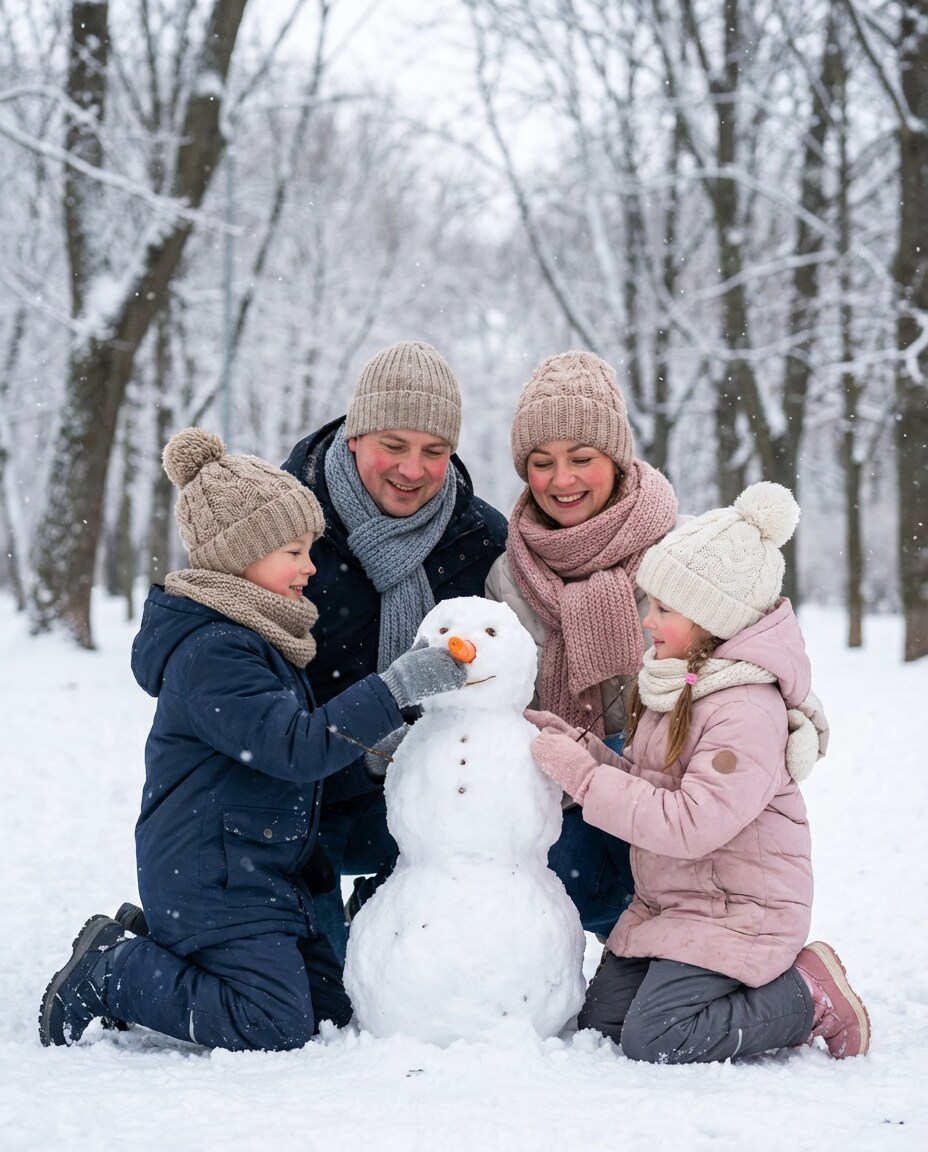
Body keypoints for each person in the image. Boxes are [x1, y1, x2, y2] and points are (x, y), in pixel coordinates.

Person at [39, 427, 469, 1051]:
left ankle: (157, 944)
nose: (310, 567)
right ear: (240, 556)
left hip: (260, 872)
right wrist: (394, 687)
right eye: (292, 552)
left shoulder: (257, 638)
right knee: (272, 1023)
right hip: (215, 878)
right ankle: (114, 974)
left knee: (331, 1008)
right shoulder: (215, 650)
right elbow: (294, 748)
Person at [529, 482, 870, 1063]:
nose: (646, 621)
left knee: (655, 1037)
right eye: (649, 603)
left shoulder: (744, 710)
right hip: (677, 903)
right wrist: (581, 751)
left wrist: (585, 782)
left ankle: (809, 993)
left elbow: (691, 822)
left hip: (739, 911)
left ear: (712, 621)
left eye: (664, 608)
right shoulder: (682, 683)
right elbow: (652, 784)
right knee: (604, 1025)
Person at [280, 340, 507, 960]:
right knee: (318, 998)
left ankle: (386, 903)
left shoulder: (479, 538)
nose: (413, 470)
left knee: (410, 972)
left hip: (424, 793)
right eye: (394, 446)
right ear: (354, 437)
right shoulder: (286, 521)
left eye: (434, 452)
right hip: (303, 791)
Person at [485, 350, 679, 936]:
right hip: (567, 782)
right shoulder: (506, 575)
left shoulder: (679, 554)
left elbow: (746, 662)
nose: (561, 480)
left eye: (581, 458)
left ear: (616, 461)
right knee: (567, 884)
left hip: (666, 784)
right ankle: (628, 941)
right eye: (542, 462)